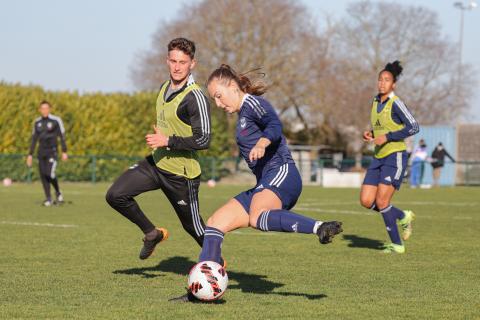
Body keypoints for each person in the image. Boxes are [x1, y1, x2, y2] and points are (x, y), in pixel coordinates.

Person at [170, 64, 343, 302]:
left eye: (219, 96)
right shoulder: (243, 114)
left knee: (258, 217)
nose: (218, 104)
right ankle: (201, 292)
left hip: (283, 174)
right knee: (214, 225)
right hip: (266, 181)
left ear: (232, 86)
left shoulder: (253, 104)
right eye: (214, 100)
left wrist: (263, 142)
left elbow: (274, 125)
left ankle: (320, 227)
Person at [105, 38, 211, 260]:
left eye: (183, 62)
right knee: (116, 195)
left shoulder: (195, 97)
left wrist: (168, 141)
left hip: (181, 175)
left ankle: (216, 263)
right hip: (156, 163)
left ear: (193, 63)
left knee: (193, 227)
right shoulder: (164, 87)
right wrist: (162, 142)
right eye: (173, 60)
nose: (177, 66)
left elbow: (203, 140)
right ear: (167, 60)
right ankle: (152, 234)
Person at [360, 61, 419, 254]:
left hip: (395, 157)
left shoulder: (396, 103)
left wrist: (387, 137)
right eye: (380, 79)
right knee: (367, 201)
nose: (382, 83)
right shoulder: (376, 101)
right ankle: (403, 216)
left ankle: (397, 245)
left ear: (393, 84)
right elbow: (381, 126)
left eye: (387, 80)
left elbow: (414, 126)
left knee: (383, 202)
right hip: (379, 157)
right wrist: (370, 133)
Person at [27, 100, 68, 206]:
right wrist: (30, 154)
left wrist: (64, 151)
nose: (44, 110)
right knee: (43, 175)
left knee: (50, 173)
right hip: (41, 152)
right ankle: (48, 198)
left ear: (49, 109)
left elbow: (61, 136)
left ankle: (58, 192)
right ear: (39, 110)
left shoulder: (55, 120)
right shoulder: (37, 122)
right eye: (42, 108)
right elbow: (34, 139)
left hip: (52, 151)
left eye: (46, 108)